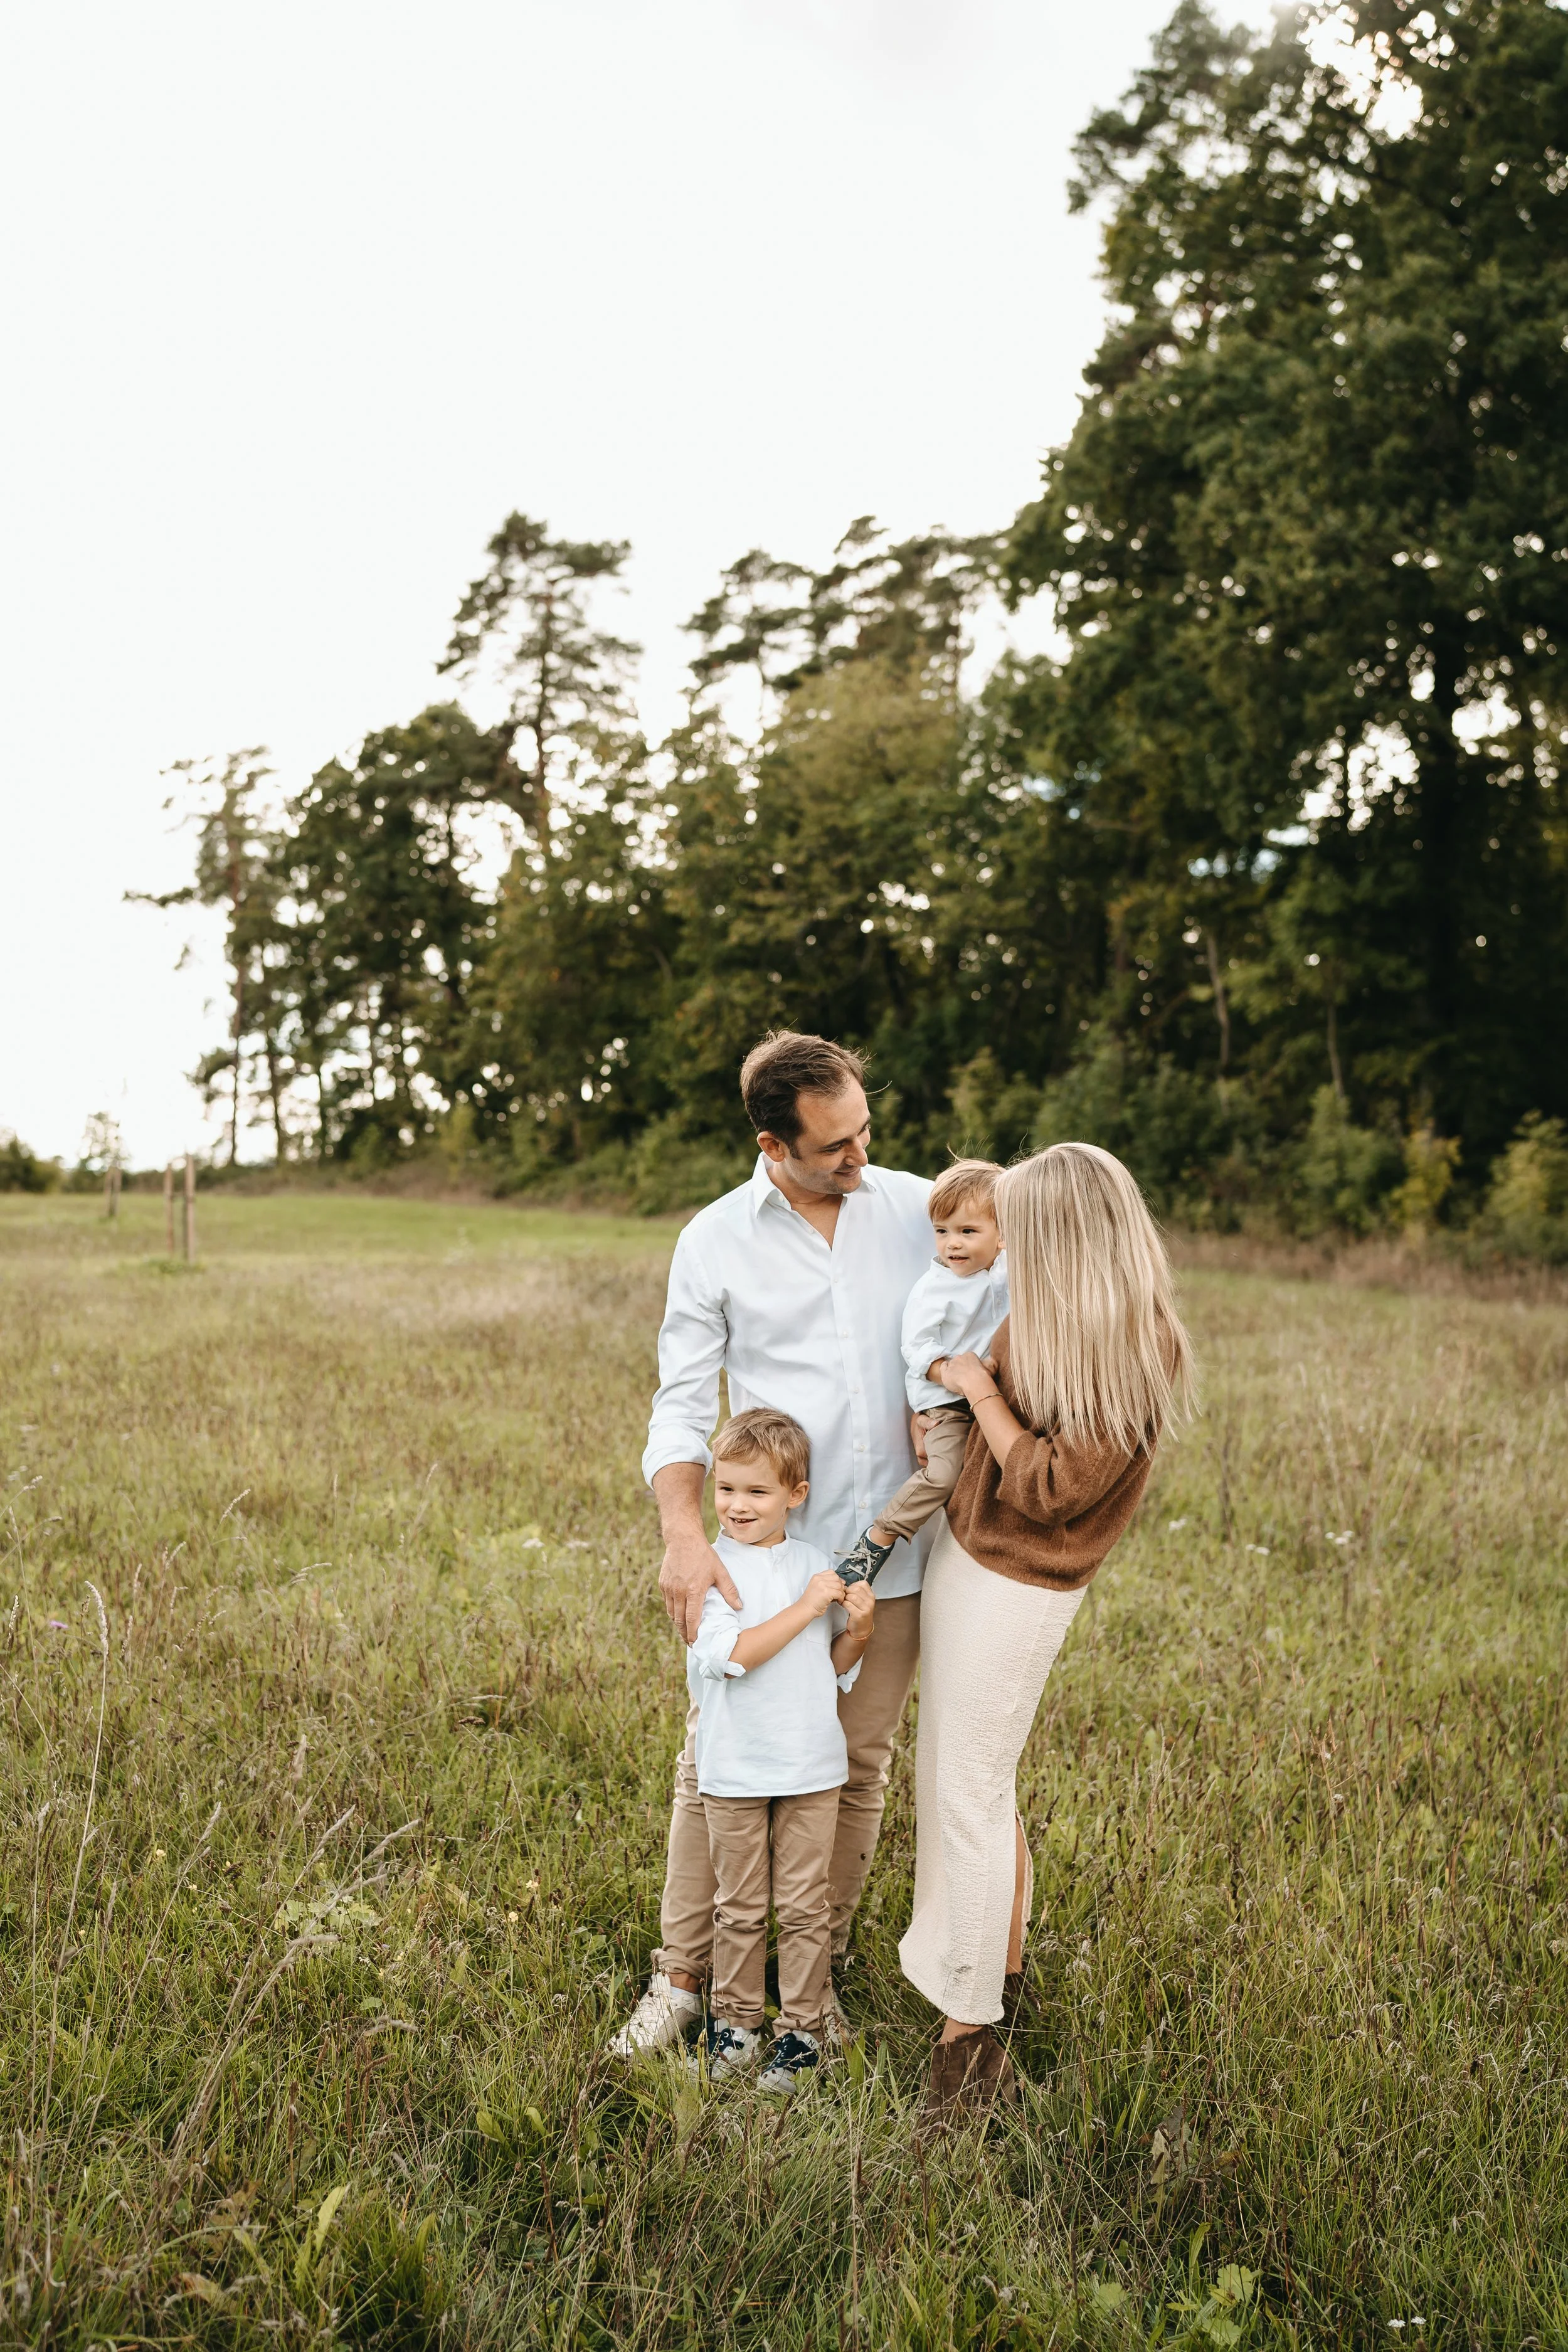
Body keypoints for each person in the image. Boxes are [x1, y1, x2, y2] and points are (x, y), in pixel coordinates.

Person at [608, 1029, 935, 2058]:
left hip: (892, 1555)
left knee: (853, 1761)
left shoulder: (924, 1210)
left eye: (865, 1132)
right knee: (717, 1761)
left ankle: (808, 1984)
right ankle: (683, 1979)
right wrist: (681, 1534)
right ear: (771, 1142)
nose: (859, 1158)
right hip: (762, 1561)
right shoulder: (713, 1238)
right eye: (835, 1145)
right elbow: (678, 1401)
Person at [899, 1142, 1194, 2124]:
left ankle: (966, 2044)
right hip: (967, 1553)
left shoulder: (1139, 1343)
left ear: (1065, 1234)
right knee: (964, 1775)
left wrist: (978, 1392)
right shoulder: (1043, 1309)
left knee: (966, 1795)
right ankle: (1000, 1969)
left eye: (1023, 1224)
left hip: (1022, 1583)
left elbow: (1055, 1489)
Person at [686, 1407, 875, 2091]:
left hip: (811, 1767)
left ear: (794, 1496)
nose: (737, 1506)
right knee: (737, 1907)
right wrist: (804, 1606)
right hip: (734, 1768)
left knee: (803, 1907)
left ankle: (802, 2033)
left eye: (757, 1492)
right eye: (726, 1489)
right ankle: (734, 2025)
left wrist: (858, 1628)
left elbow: (828, 1666)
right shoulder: (707, 1570)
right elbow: (733, 1656)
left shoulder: (813, 1564)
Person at [836, 1157, 1009, 1586]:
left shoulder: (1009, 1272)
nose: (952, 1244)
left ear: (1003, 1234)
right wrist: (954, 1374)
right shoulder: (935, 1288)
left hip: (992, 1389)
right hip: (946, 1398)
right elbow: (916, 1348)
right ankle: (877, 1539)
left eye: (968, 1231)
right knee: (945, 1472)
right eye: (942, 1231)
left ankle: (983, 1560)